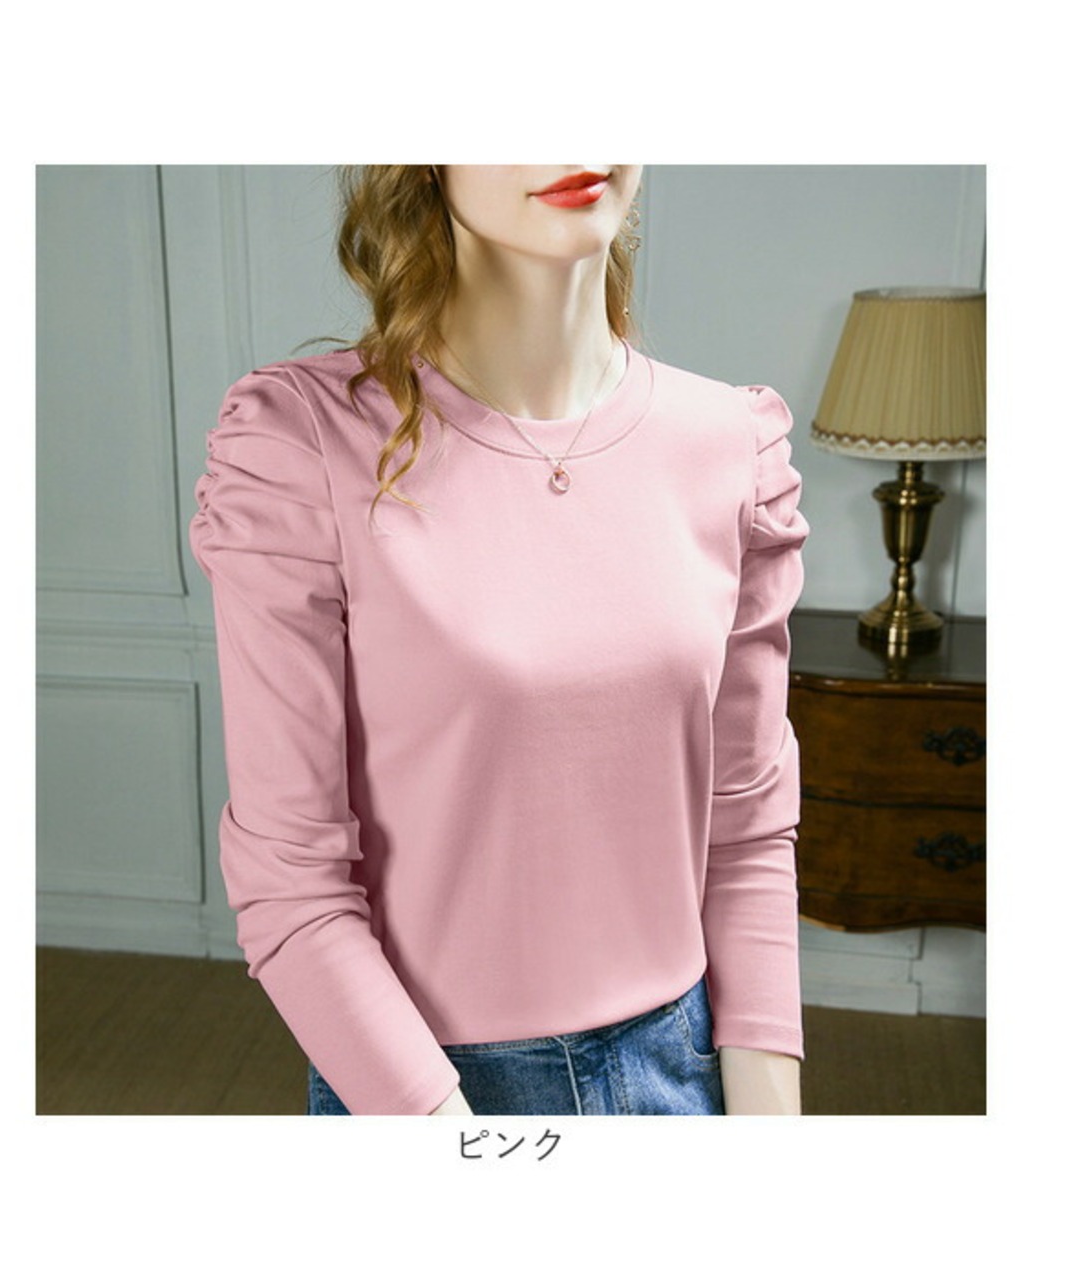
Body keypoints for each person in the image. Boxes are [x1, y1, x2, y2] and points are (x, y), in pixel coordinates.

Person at [189, 165, 810, 1116]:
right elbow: (290, 882)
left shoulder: (731, 444)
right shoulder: (302, 444)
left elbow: (749, 826)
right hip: (429, 1087)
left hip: (686, 1071)